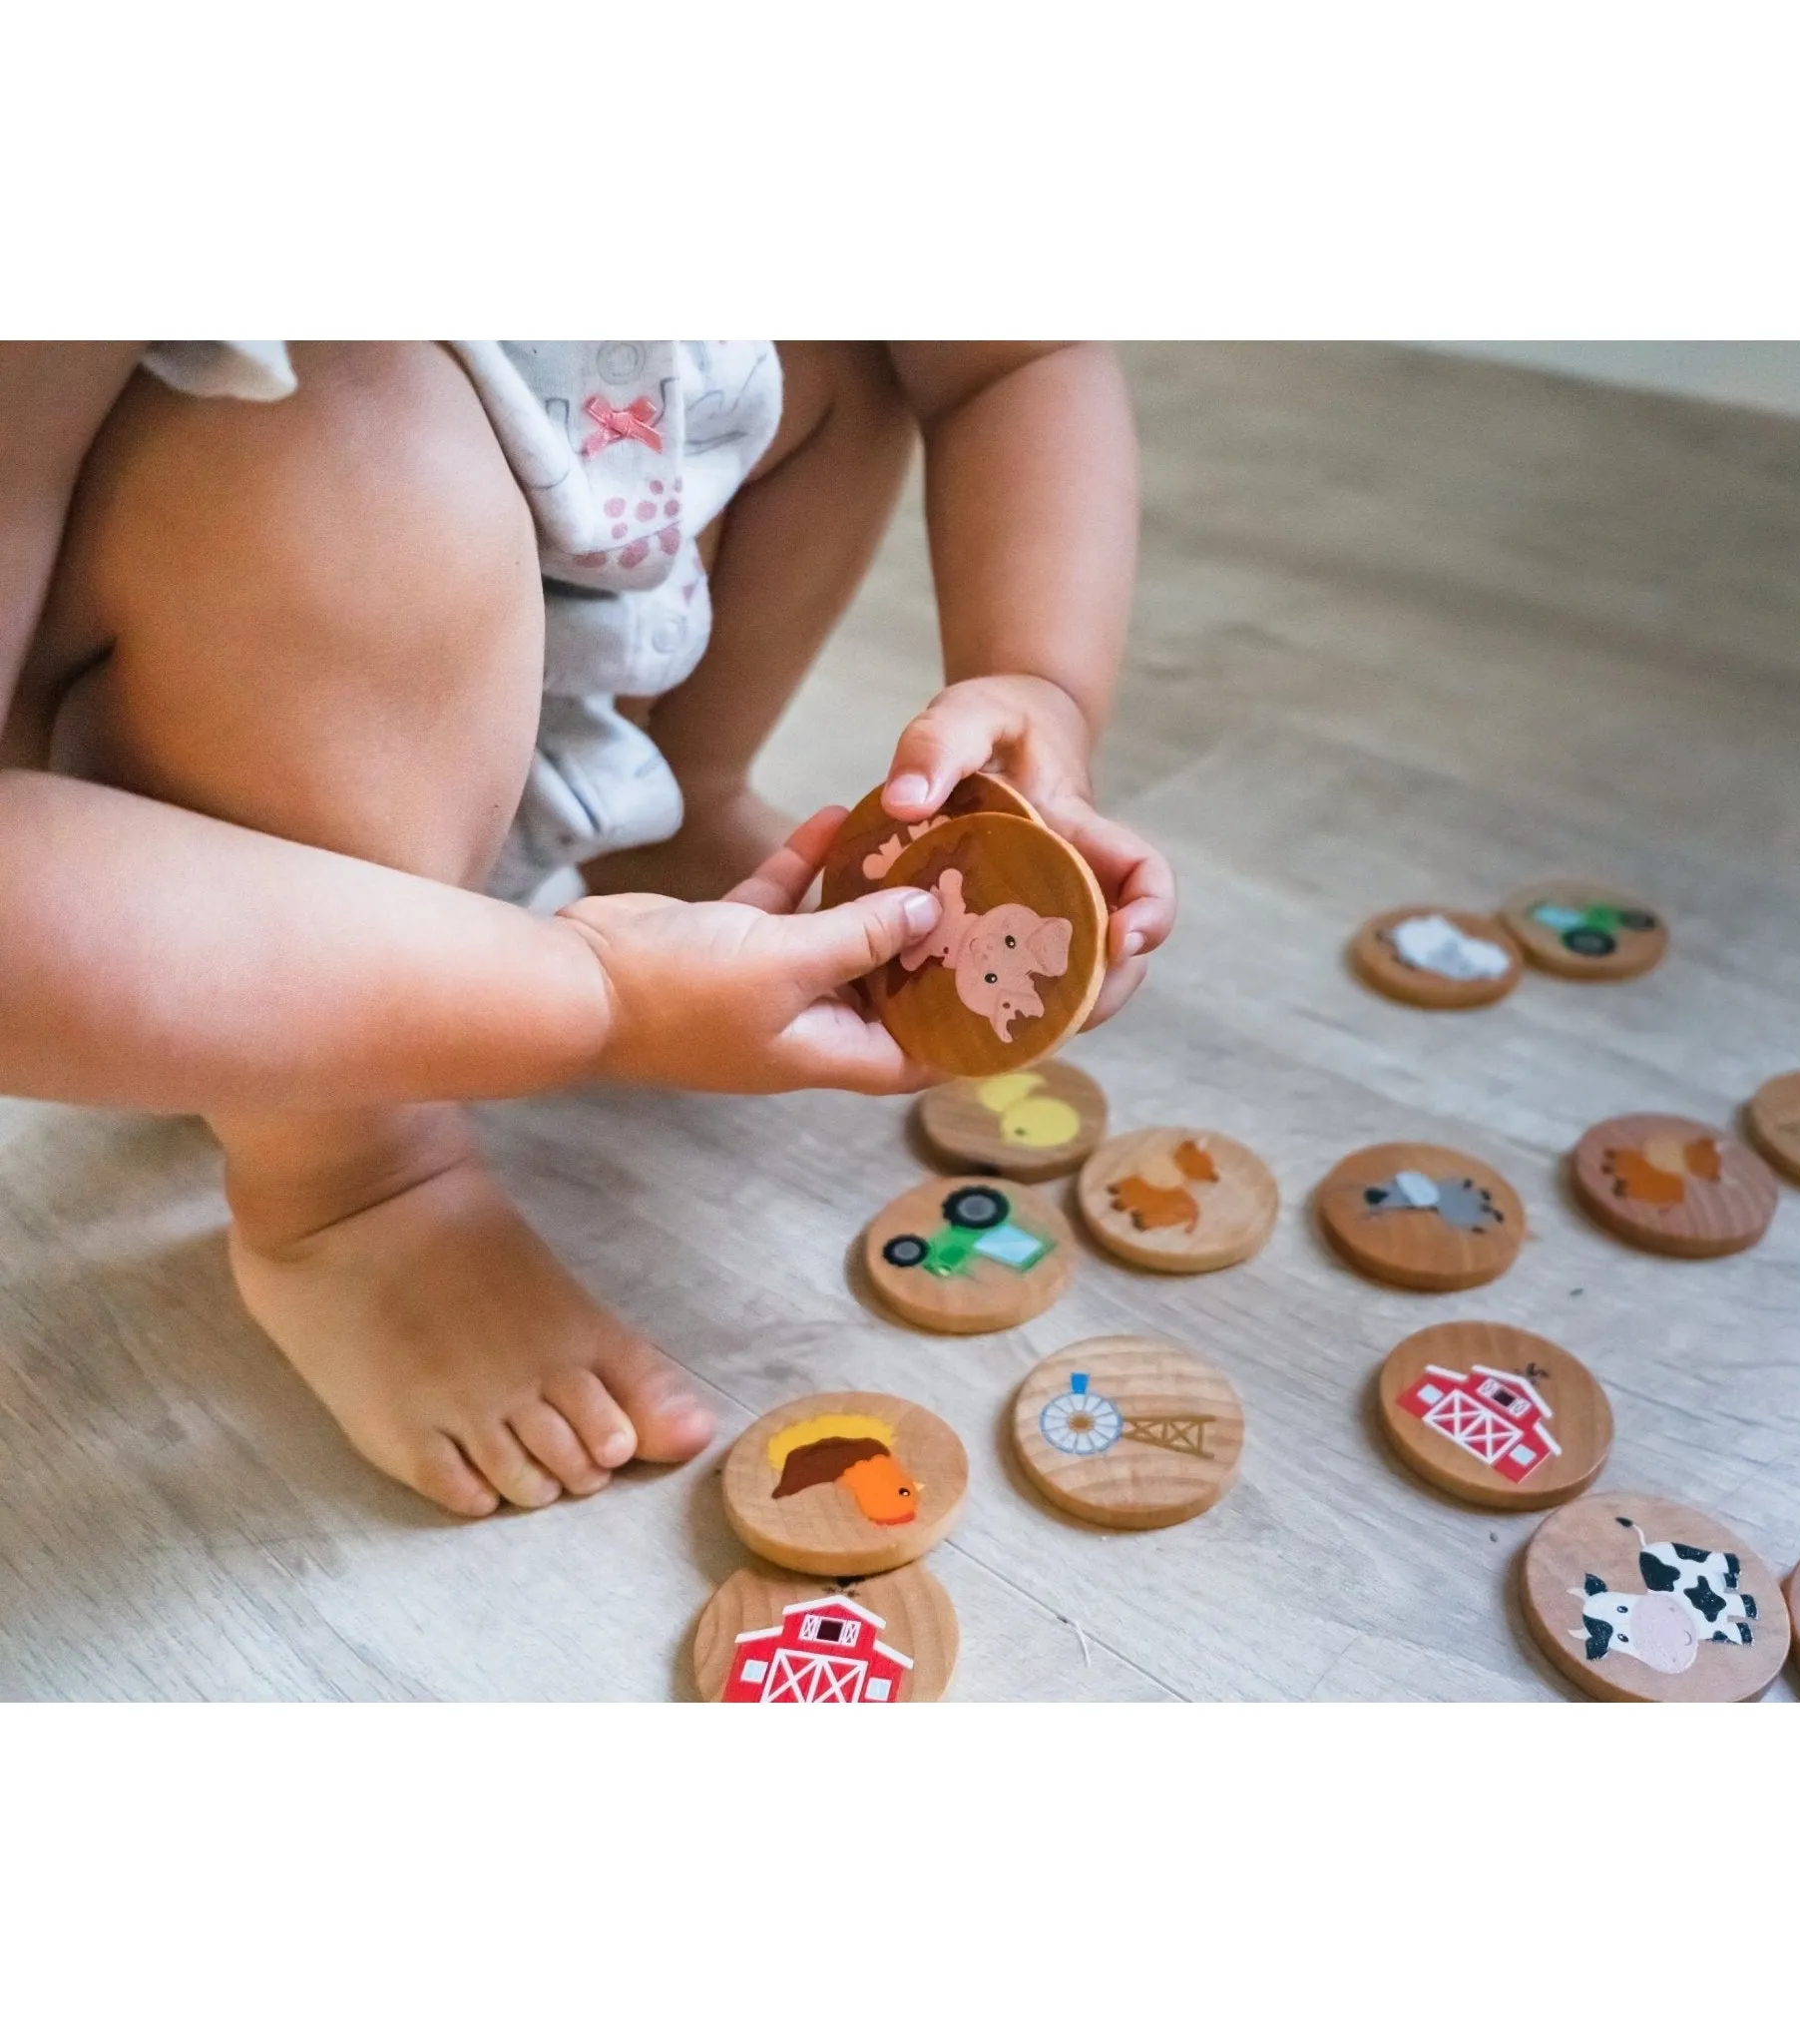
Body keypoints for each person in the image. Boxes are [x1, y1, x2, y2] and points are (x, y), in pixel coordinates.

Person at [0, 340, 1174, 1517]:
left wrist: (1039, 684)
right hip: (206, 848)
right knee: (352, 428)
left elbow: (1009, 360)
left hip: (546, 588)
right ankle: (350, 1174)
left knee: (835, 347)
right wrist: (593, 997)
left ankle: (677, 801)